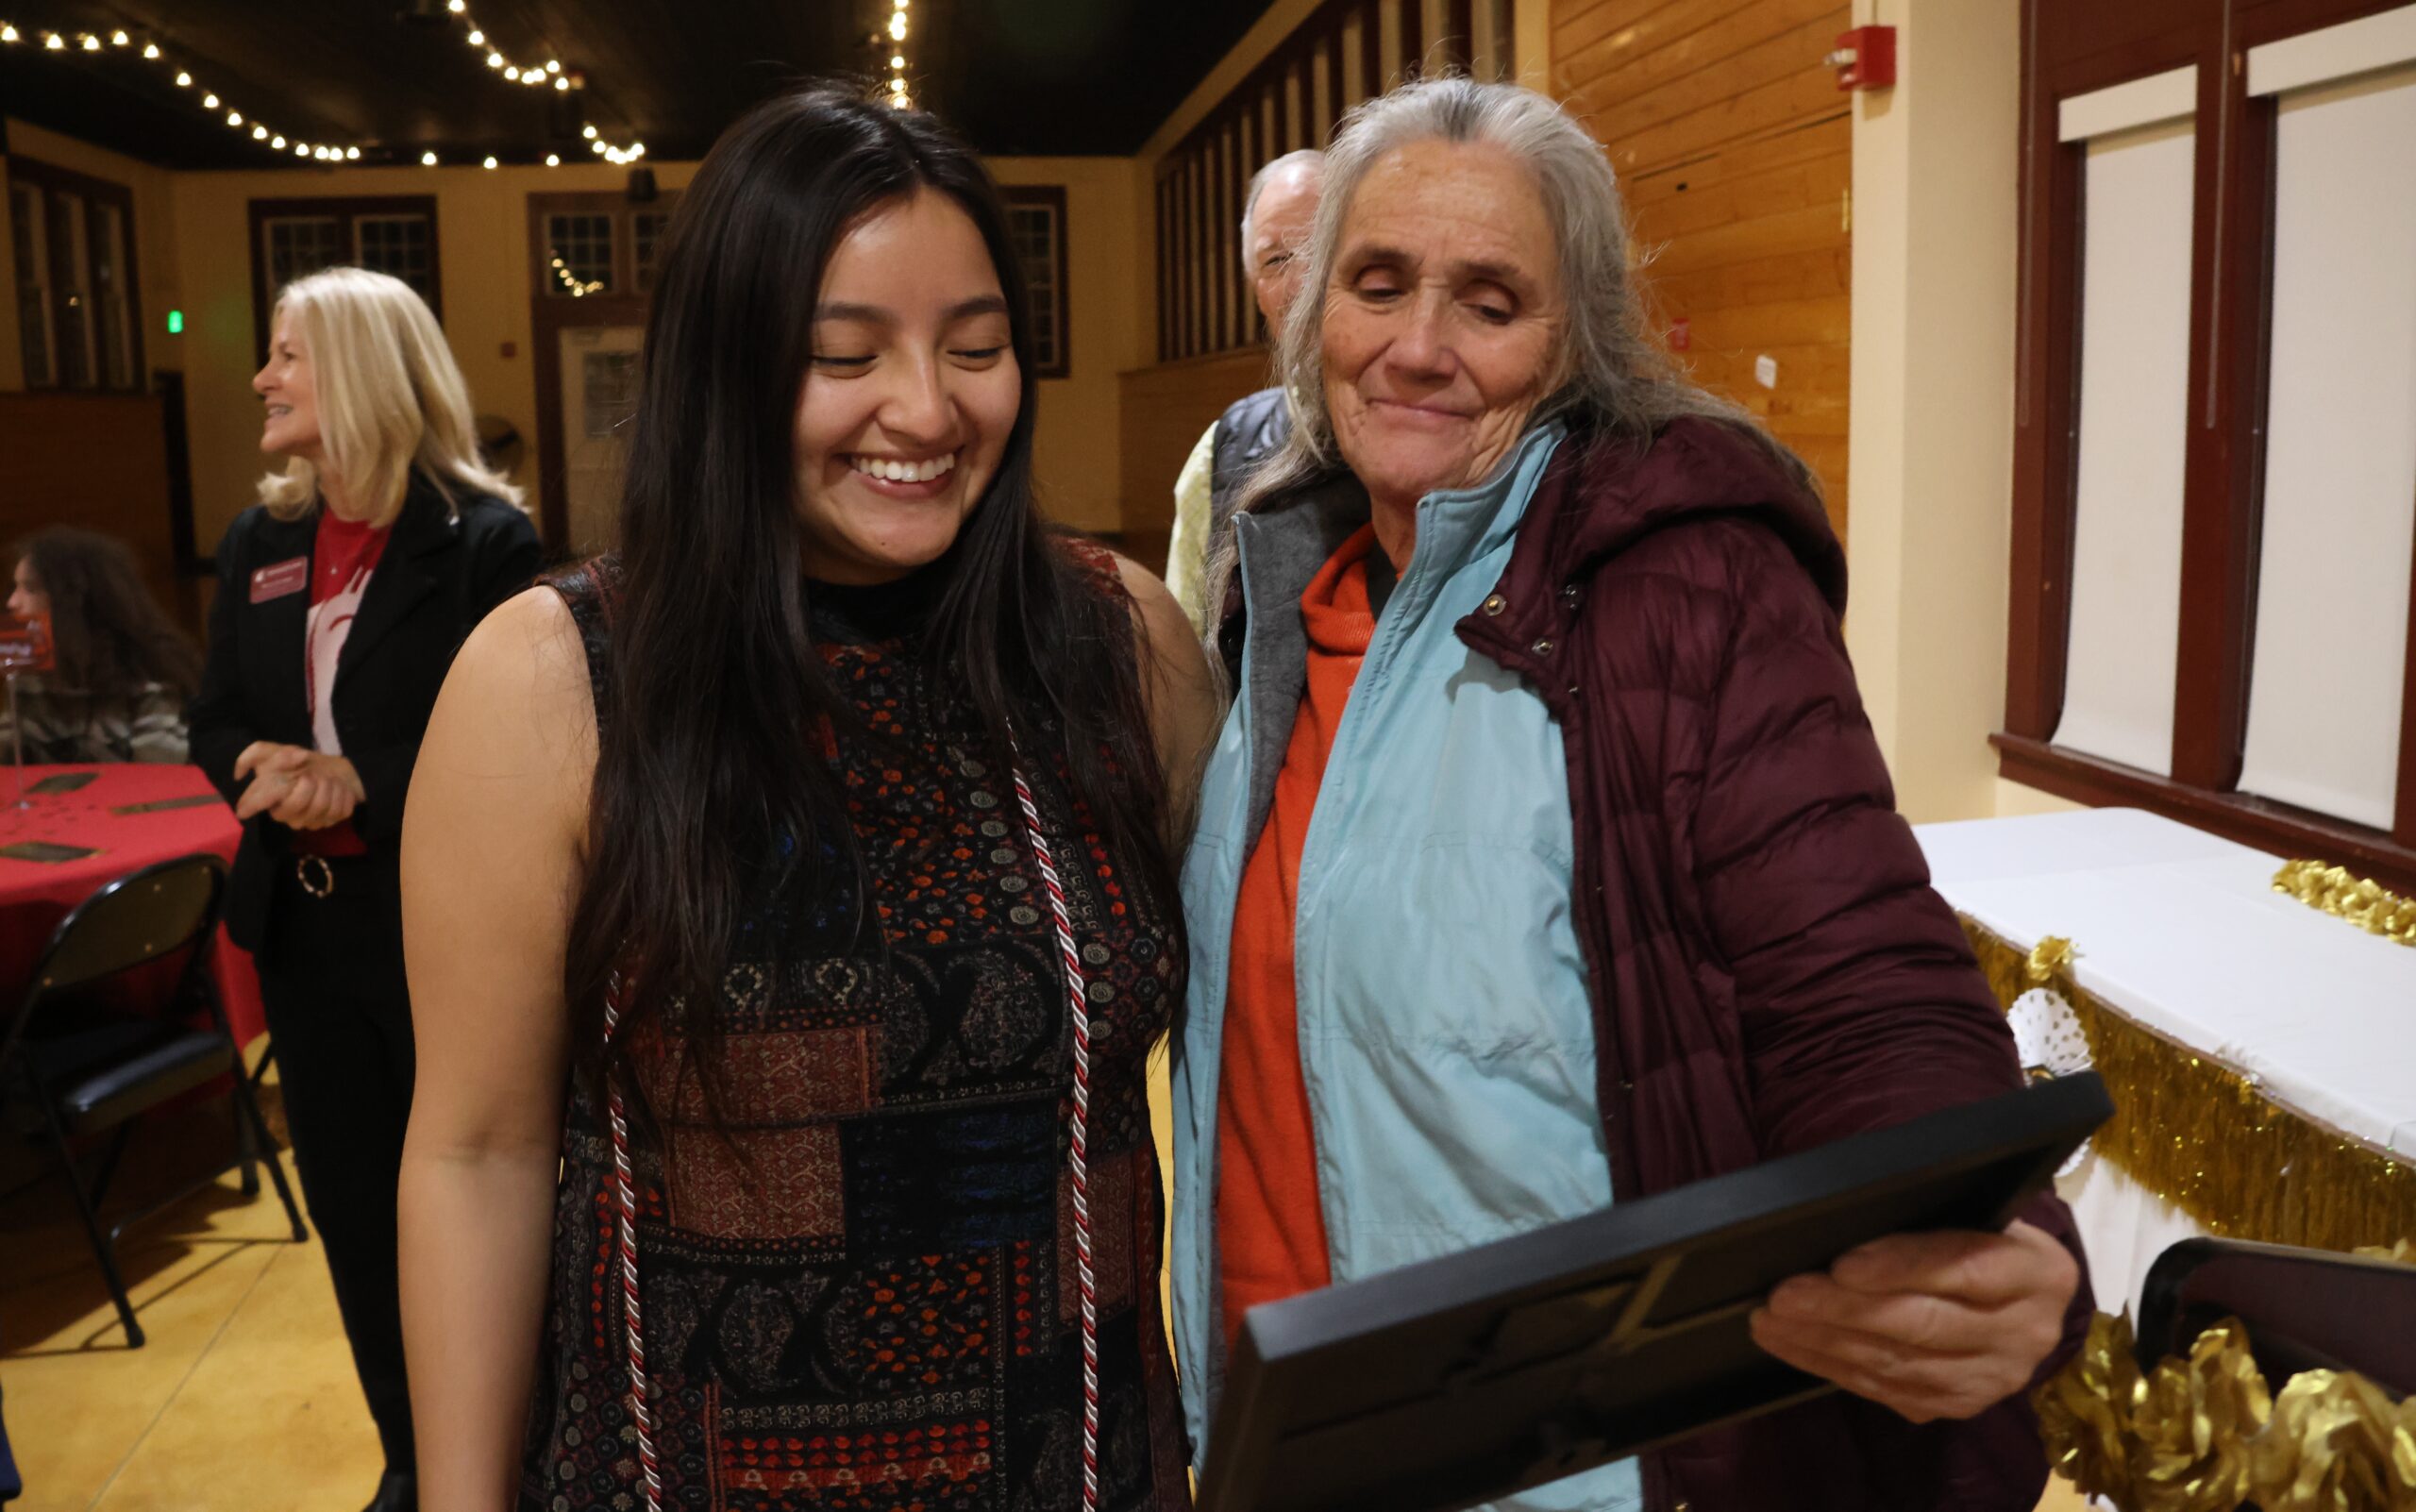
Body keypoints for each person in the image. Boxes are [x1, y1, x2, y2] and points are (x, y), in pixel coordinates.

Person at [1173, 77, 2091, 1512]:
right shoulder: (1285, 577)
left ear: (1577, 338)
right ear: (1308, 313)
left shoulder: (1684, 583)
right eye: (1378, 282)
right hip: (1270, 1439)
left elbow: (1857, 973)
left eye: (1491, 300)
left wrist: (1976, 1233)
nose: (1419, 346)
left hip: (1565, 1469)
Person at [397, 87, 1216, 1512]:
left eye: (977, 347)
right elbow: (478, 1149)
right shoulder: (555, 680)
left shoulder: (1117, 643)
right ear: (728, 368)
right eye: (848, 354)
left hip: (1075, 1466)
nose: (927, 407)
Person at [187, 265, 540, 1512]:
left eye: (287, 354)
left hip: (440, 927)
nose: (261, 378)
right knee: (351, 1209)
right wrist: (260, 762)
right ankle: (412, 1457)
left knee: (473, 1198)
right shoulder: (259, 539)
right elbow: (215, 709)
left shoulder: (483, 543)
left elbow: (522, 743)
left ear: (360, 370)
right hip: (303, 928)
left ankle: (511, 1457)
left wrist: (359, 780)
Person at [1163, 149, 1322, 630]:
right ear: (1256, 290)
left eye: (1323, 246)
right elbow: (1188, 654)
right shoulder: (1224, 448)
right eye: (1276, 260)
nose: (1302, 282)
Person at [1, 527, 200, 764]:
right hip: (53, 800)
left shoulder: (149, 678)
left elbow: (160, 776)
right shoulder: (29, 677)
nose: (12, 602)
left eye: (31, 589)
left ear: (75, 601)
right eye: (16, 587)